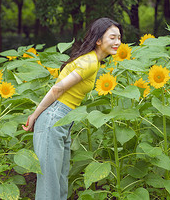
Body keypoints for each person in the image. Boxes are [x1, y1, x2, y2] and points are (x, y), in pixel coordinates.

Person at [22, 17, 123, 200]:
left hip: (63, 120)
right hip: (54, 117)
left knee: (60, 182)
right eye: (112, 37)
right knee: (49, 185)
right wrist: (35, 116)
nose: (117, 42)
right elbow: (58, 88)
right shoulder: (90, 63)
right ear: (98, 40)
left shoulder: (92, 61)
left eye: (119, 38)